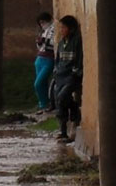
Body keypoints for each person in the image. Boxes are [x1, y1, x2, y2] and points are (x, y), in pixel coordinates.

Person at [52, 15, 84, 143]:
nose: (61, 30)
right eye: (60, 27)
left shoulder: (76, 41)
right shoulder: (61, 43)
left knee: (62, 97)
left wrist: (76, 73)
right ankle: (63, 131)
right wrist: (56, 72)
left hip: (71, 76)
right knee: (58, 100)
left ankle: (74, 111)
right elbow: (58, 60)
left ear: (71, 29)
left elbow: (79, 59)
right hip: (60, 76)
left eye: (64, 27)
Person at [33, 12, 56, 112]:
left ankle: (44, 104)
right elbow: (40, 46)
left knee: (38, 83)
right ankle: (44, 104)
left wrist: (44, 41)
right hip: (40, 58)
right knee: (42, 84)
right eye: (40, 23)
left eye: (43, 22)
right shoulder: (43, 31)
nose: (42, 24)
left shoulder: (54, 28)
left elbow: (54, 43)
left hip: (49, 58)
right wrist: (39, 42)